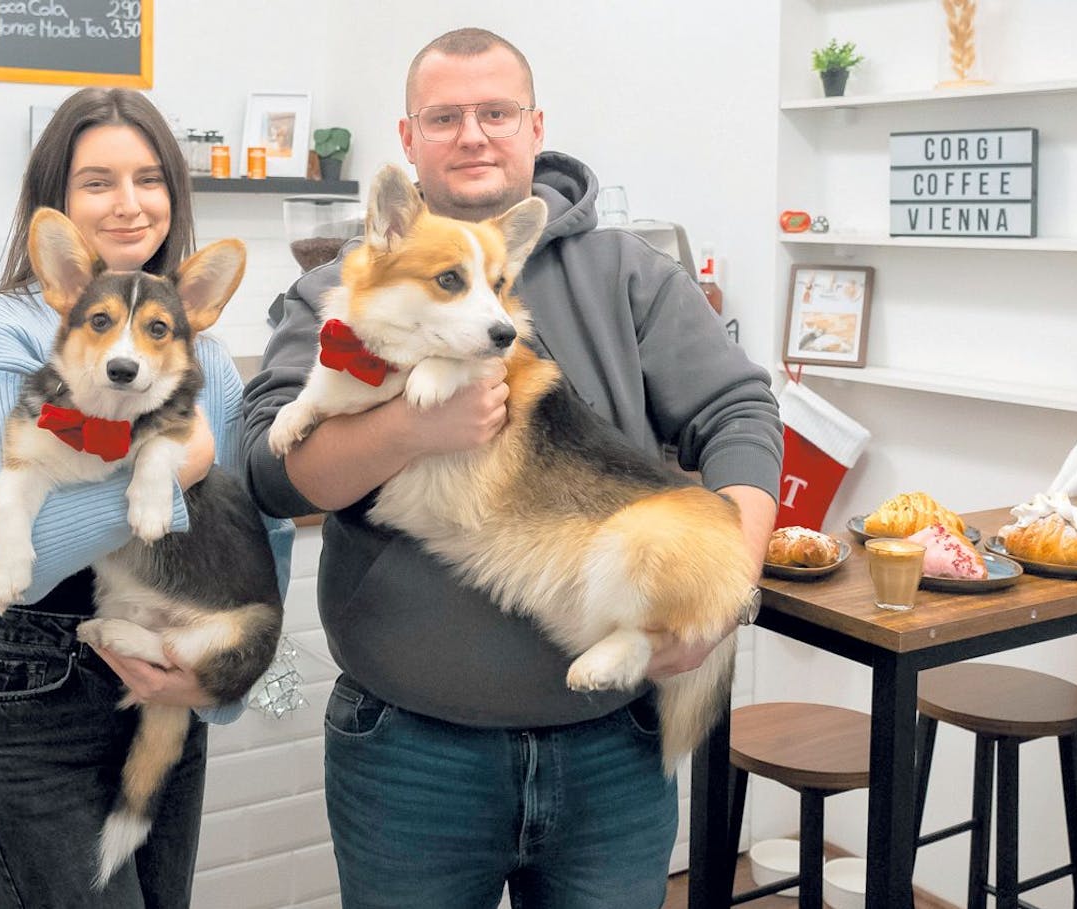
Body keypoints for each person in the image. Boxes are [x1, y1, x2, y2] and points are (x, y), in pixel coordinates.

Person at [241, 28, 781, 909]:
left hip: (614, 745)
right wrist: (410, 432)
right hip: (410, 753)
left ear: (535, 127)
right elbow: (267, 470)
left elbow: (741, 412)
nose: (473, 134)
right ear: (408, 138)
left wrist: (730, 580)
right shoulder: (345, 286)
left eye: (496, 112)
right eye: (444, 116)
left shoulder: (628, 272)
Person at [0, 87, 290, 909]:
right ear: (55, 201)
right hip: (35, 689)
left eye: (149, 178)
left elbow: (255, 528)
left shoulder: (203, 349)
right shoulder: (1, 333)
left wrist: (224, 683)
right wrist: (175, 470)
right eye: (98, 181)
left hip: (170, 671)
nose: (129, 204)